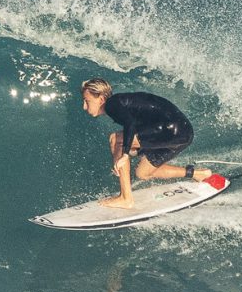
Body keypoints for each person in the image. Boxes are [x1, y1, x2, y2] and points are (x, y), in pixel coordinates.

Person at [79, 78, 214, 208]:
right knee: (143, 173)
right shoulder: (122, 103)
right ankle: (197, 174)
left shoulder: (111, 104)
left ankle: (126, 198)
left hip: (171, 130)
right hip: (183, 133)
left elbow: (130, 124)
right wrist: (137, 150)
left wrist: (125, 154)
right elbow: (143, 124)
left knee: (116, 139)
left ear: (101, 98)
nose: (84, 106)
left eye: (87, 100)